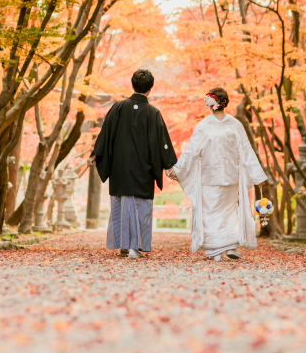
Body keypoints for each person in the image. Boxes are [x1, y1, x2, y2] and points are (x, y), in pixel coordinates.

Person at [166, 88, 267, 261]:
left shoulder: (206, 126)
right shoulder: (233, 124)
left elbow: (192, 151)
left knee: (217, 212)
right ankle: (226, 247)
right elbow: (246, 150)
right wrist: (257, 176)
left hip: (218, 177)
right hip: (221, 175)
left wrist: (178, 169)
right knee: (223, 212)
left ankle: (222, 248)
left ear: (213, 103)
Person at [88, 70, 178, 258]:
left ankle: (124, 245)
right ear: (150, 88)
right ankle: (134, 247)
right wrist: (169, 165)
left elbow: (105, 133)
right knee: (140, 206)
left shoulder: (118, 107)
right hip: (143, 169)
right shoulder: (153, 113)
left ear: (132, 84)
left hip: (120, 167)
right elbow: (163, 142)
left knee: (121, 205)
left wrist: (95, 155)